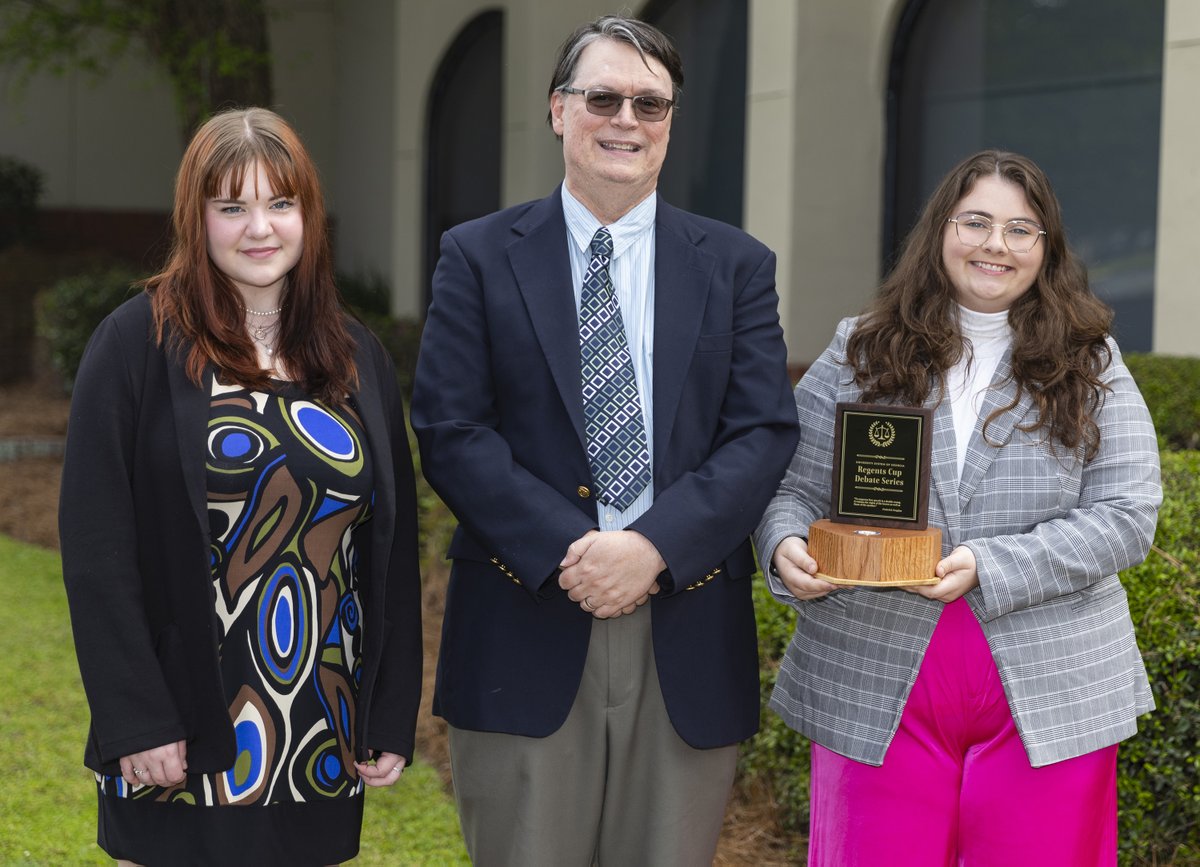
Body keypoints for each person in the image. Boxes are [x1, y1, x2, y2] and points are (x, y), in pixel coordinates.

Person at [410, 15, 798, 866]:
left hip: (685, 629)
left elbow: (763, 430)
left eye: (650, 104)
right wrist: (573, 547)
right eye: (604, 97)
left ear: (670, 121)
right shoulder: (476, 256)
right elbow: (450, 428)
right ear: (559, 110)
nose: (627, 119)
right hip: (528, 614)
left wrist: (654, 547)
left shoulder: (736, 266)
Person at [755, 149, 1161, 866]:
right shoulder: (860, 349)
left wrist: (988, 563)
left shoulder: (1091, 361)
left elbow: (1128, 516)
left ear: (1047, 248)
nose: (995, 245)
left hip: (1049, 687)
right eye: (976, 221)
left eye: (1020, 229)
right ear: (941, 230)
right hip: (876, 676)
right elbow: (788, 487)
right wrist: (785, 545)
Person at [59, 107, 422, 867]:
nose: (260, 228)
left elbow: (389, 550)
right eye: (233, 207)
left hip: (320, 722)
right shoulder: (135, 343)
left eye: (279, 204)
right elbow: (96, 551)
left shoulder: (356, 354)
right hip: (181, 726)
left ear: (307, 214)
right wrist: (137, 720)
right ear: (198, 217)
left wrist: (387, 710)